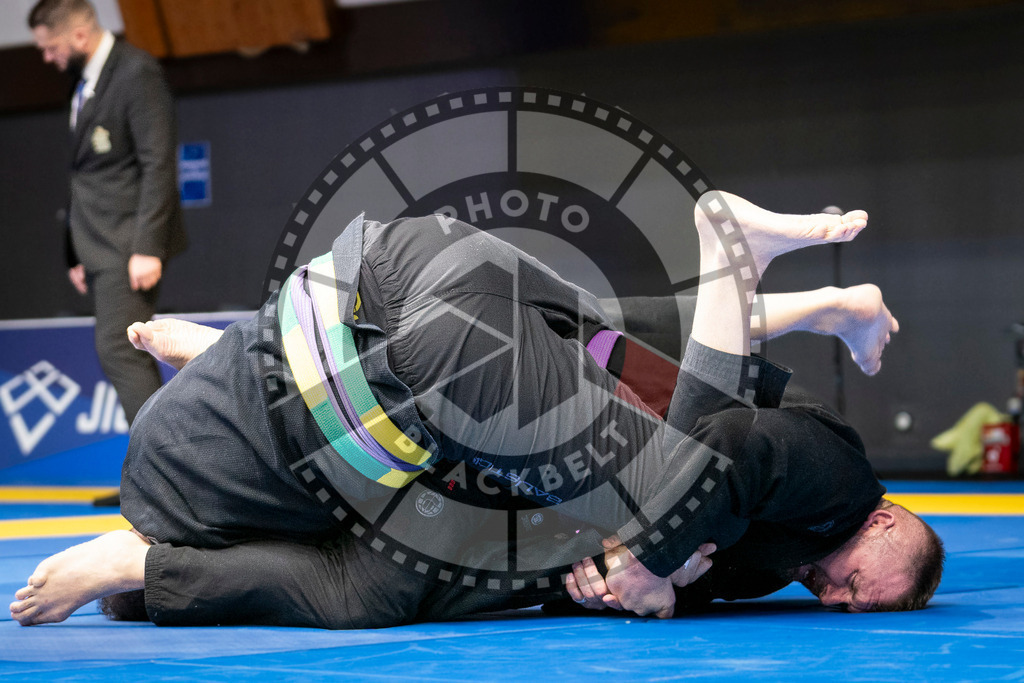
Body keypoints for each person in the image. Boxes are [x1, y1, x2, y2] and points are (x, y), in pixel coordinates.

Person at [10, 192, 942, 628]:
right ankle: (743, 257)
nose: (847, 597)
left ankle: (222, 363)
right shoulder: (843, 489)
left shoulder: (797, 551)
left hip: (434, 306)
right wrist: (650, 564)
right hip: (471, 373)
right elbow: (724, 445)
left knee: (626, 362)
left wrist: (629, 572)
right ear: (893, 520)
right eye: (872, 584)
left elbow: (682, 377)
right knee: (364, 590)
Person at [29, 0, 186, 425]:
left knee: (120, 346)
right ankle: (156, 468)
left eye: (50, 47)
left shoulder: (136, 73)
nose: (47, 58)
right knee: (122, 349)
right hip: (97, 243)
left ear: (79, 36)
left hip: (128, 241)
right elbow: (85, 174)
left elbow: (158, 163)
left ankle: (164, 473)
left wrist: (148, 247)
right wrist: (73, 252)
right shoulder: (84, 82)